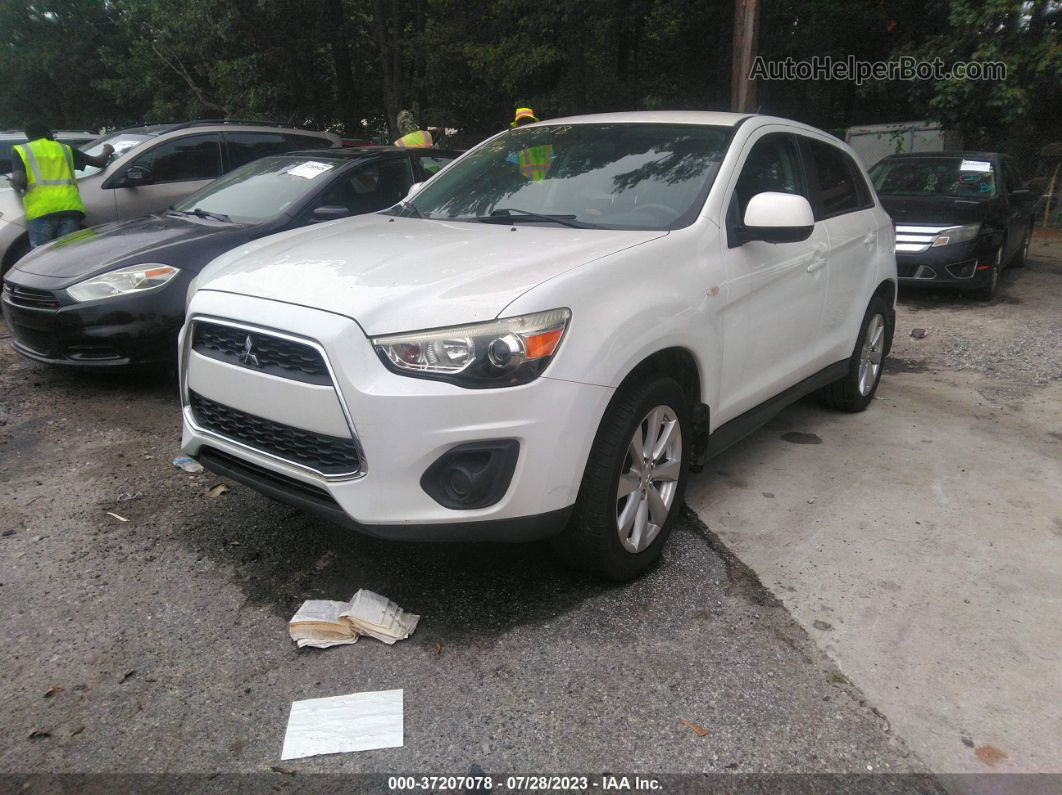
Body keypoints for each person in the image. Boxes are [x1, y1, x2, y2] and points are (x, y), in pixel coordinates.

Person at [9, 121, 113, 248]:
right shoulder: (65, 149)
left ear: (28, 136)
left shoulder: (22, 151)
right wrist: (107, 150)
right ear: (47, 133)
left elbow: (19, 182)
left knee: (41, 256)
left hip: (41, 211)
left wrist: (13, 184)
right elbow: (99, 162)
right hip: (70, 208)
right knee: (67, 253)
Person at [508, 106, 552, 182]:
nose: (526, 126)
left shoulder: (544, 141)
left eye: (528, 122)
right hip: (528, 182)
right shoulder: (515, 148)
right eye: (522, 123)